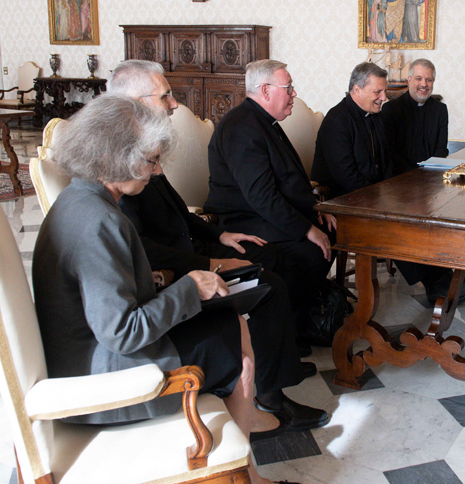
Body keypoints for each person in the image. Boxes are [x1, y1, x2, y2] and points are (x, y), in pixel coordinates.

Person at [31, 95, 300, 484]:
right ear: (113, 157)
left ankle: (246, 470)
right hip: (102, 378)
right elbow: (122, 333)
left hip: (87, 354)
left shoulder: (81, 199)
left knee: (230, 322)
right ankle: (244, 476)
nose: (155, 171)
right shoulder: (99, 221)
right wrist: (190, 286)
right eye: (149, 160)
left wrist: (159, 281)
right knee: (236, 344)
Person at [109, 59, 329, 434]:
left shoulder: (139, 149)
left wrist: (219, 238)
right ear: (135, 101)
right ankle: (271, 398)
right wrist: (208, 260)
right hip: (173, 273)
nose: (175, 105)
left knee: (271, 271)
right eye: (166, 96)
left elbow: (179, 213)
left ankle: (277, 363)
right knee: (270, 282)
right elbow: (141, 246)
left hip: (196, 249)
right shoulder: (121, 160)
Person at [312, 62, 465, 304]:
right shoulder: (337, 120)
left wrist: (397, 191)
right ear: (356, 90)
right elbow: (345, 176)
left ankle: (442, 275)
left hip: (370, 193)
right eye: (377, 92)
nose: (383, 98)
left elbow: (386, 160)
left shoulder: (374, 116)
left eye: (384, 92)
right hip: (344, 202)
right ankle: (436, 284)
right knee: (398, 222)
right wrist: (383, 197)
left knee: (413, 209)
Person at [204, 59, 337, 344]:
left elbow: (289, 183)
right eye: (288, 88)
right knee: (310, 251)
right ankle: (287, 335)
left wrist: (314, 213)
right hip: (244, 220)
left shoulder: (264, 122)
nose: (294, 94)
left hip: (264, 215)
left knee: (332, 233)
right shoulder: (242, 127)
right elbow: (262, 196)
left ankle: (298, 322)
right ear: (265, 91)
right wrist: (306, 228)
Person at [382, 58, 448, 174]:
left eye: (429, 80)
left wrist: (429, 172)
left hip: (431, 175)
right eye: (419, 79)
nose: (424, 84)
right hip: (399, 178)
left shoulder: (440, 110)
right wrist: (413, 175)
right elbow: (390, 151)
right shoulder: (392, 109)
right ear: (409, 80)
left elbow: (441, 149)